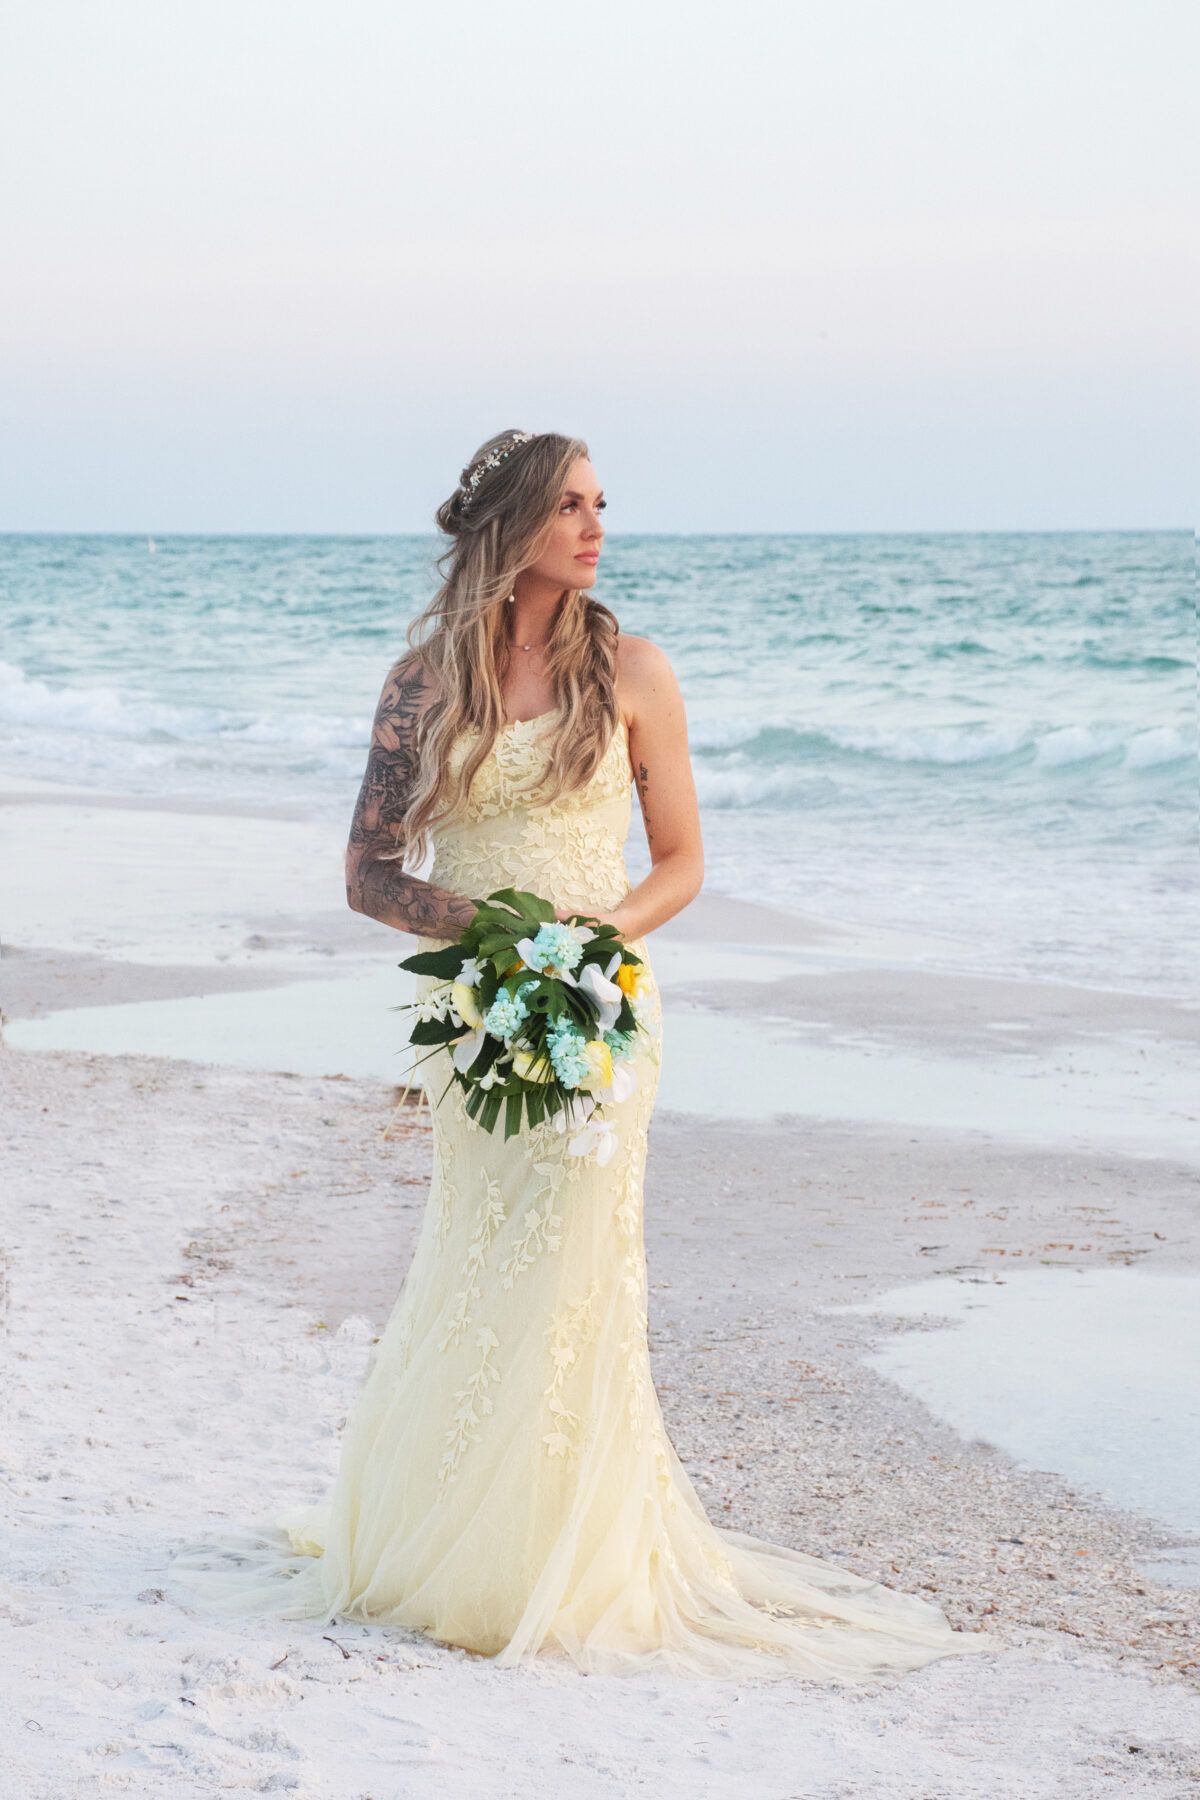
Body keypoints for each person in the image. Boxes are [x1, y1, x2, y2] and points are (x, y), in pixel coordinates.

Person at [167, 429, 996, 1682]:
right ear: (509, 524)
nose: (596, 526)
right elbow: (370, 877)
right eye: (568, 505)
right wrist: (498, 941)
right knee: (475, 1254)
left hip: (601, 1005)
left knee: (577, 1262)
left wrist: (581, 944)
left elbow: (682, 865)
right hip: (475, 1012)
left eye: (602, 504)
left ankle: (568, 1549)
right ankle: (449, 1540)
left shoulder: (637, 673)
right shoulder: (422, 685)